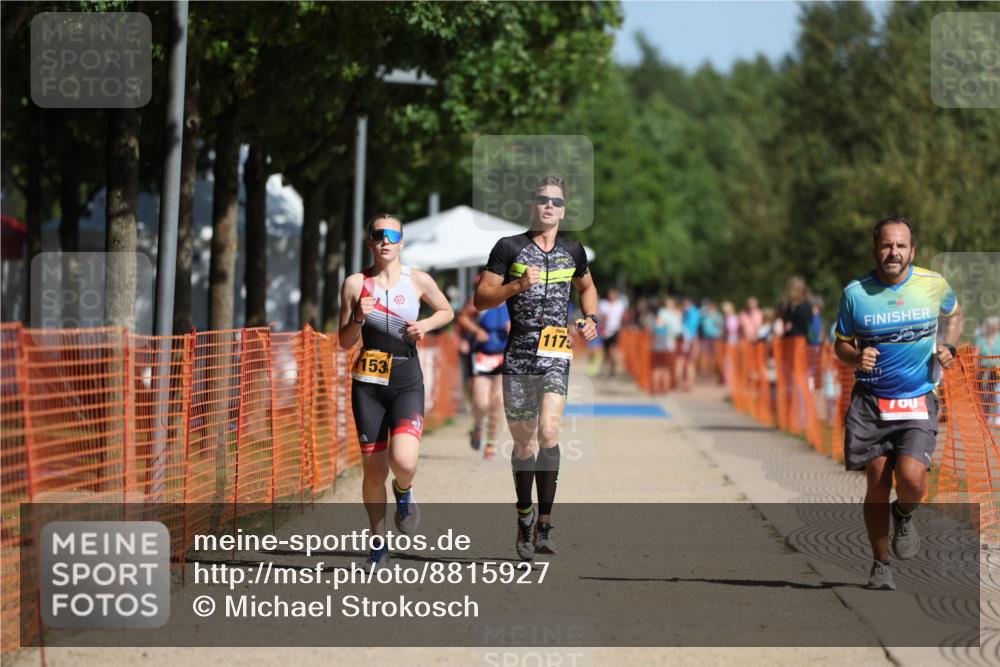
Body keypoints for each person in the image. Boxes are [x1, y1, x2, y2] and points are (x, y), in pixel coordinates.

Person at [833, 215, 962, 590]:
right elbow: (840, 342)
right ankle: (880, 564)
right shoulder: (855, 293)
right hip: (872, 402)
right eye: (887, 245)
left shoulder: (933, 284)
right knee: (876, 482)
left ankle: (904, 512)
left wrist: (948, 345)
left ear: (912, 250)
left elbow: (954, 314)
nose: (894, 252)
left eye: (901, 246)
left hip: (918, 398)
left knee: (911, 479)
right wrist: (855, 357)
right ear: (876, 249)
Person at [474, 176, 599, 561]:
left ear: (564, 209)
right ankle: (524, 515)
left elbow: (588, 288)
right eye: (542, 199)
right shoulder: (509, 248)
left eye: (556, 201)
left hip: (556, 352)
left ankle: (545, 524)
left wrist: (590, 317)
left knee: (548, 431)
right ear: (532, 205)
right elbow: (481, 299)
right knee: (525, 442)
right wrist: (514, 287)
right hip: (520, 354)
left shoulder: (574, 251)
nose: (548, 206)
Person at [338, 213, 454, 567]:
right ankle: (378, 543)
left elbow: (446, 310)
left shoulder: (417, 280)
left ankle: (404, 491)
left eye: (392, 235)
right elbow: (344, 342)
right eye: (378, 235)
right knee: (373, 472)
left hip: (406, 379)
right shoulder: (355, 283)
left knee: (403, 460)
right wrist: (358, 316)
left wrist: (426, 325)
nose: (385, 240)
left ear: (402, 242)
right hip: (368, 385)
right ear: (369, 241)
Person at [456, 276, 510, 460]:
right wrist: (476, 331)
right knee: (481, 403)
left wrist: (515, 326)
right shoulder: (479, 300)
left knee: (498, 403)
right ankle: (478, 425)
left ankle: (490, 445)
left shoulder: (512, 300)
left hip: (504, 356)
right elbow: (462, 317)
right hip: (482, 356)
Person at [652, 296, 682, 394]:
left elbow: (657, 327)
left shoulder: (666, 313)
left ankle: (660, 386)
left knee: (660, 366)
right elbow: (678, 330)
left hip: (663, 343)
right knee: (663, 366)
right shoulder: (672, 314)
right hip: (666, 343)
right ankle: (661, 387)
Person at [975, 317, 1000, 426]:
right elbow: (976, 355)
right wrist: (974, 369)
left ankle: (995, 416)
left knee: (996, 392)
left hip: (997, 370)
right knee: (984, 393)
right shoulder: (981, 340)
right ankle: (985, 415)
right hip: (983, 370)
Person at [598, 288, 627, 377]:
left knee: (613, 352)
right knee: (606, 352)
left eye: (613, 294)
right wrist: (603, 318)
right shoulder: (604, 304)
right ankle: (605, 369)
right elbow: (599, 316)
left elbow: (623, 317)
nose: (612, 296)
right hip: (605, 331)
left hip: (615, 330)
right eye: (610, 294)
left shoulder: (620, 305)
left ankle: (612, 371)